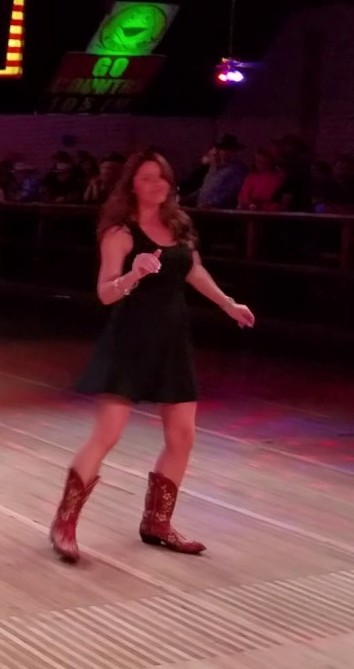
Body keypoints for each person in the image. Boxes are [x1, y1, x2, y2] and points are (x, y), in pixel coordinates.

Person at [50, 149, 256, 562]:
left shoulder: (178, 225)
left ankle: (157, 523)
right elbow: (105, 293)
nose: (156, 184)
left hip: (171, 340)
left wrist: (227, 303)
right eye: (145, 177)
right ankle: (64, 523)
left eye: (160, 176)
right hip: (130, 340)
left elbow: (193, 270)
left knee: (183, 436)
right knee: (107, 434)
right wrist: (135, 273)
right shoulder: (120, 233)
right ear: (131, 185)